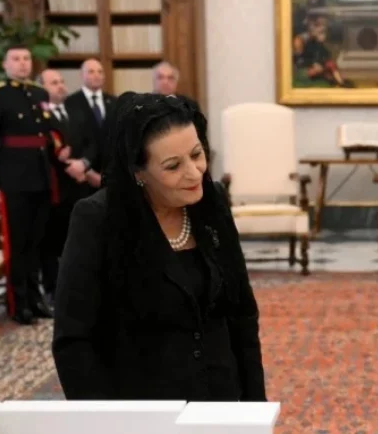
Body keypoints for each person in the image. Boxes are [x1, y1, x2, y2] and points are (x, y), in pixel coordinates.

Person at [52, 93, 266, 402]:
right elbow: (74, 340)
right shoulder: (98, 219)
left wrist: (254, 409)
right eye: (172, 166)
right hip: (142, 411)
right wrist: (102, 426)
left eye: (197, 154)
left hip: (221, 400)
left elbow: (242, 312)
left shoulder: (212, 201)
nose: (194, 173)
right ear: (138, 173)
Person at [0, 44, 54, 325]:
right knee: (18, 244)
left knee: (36, 242)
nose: (22, 64)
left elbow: (48, 135)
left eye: (26, 58)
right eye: (16, 59)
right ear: (5, 65)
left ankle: (36, 298)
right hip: (14, 179)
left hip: (41, 177)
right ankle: (18, 303)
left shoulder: (39, 93)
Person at [37, 68, 99, 301]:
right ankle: (53, 291)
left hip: (80, 188)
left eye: (62, 81)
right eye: (54, 83)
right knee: (52, 244)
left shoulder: (75, 110)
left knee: (80, 240)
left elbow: (91, 143)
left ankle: (81, 289)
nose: (61, 86)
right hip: (55, 190)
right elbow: (44, 153)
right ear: (42, 88)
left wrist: (83, 163)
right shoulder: (39, 117)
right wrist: (68, 166)